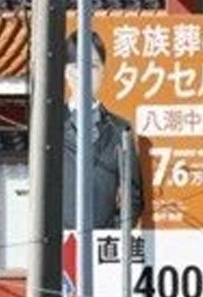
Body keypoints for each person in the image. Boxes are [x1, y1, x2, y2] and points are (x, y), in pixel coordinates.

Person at [62, 30, 144, 231]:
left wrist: (114, 233)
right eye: (77, 66)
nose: (84, 75)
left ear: (103, 71)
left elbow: (133, 195)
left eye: (92, 66)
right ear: (66, 72)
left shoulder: (119, 128)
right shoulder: (49, 126)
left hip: (105, 245)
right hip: (58, 243)